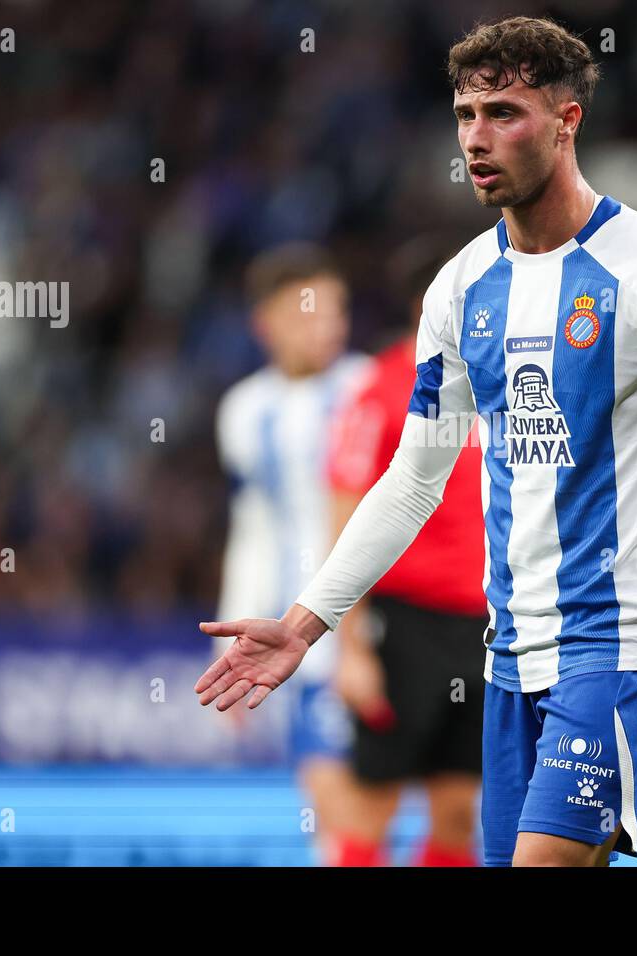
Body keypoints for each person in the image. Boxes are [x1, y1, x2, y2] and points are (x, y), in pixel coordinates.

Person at [197, 16, 637, 867]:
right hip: (510, 656)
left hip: (626, 643)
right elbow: (413, 481)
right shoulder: (461, 290)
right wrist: (306, 624)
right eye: (465, 115)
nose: (476, 139)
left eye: (504, 113)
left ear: (566, 121)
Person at [327, 238, 487, 867]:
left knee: (457, 808)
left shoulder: (509, 385)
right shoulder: (382, 387)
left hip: (487, 625)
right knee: (374, 802)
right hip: (405, 622)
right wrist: (352, 644)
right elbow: (345, 512)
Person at [212, 242, 368, 865]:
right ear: (265, 325)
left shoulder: (373, 388)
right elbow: (253, 531)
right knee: (334, 810)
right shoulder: (244, 413)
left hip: (393, 631)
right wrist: (228, 641)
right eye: (307, 313)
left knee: (449, 805)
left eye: (335, 311)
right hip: (307, 643)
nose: (325, 326)